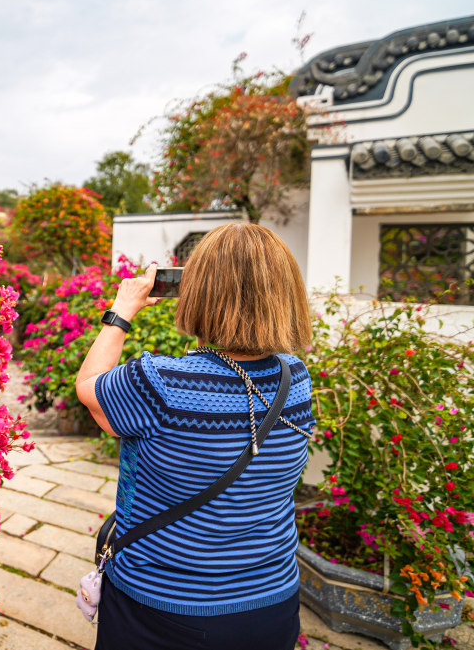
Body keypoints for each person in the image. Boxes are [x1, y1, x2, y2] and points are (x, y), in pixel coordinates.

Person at [75, 222, 315, 650]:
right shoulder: (295, 377)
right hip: (271, 603)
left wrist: (122, 311)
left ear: (199, 292)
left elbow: (90, 387)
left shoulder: (160, 382)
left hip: (162, 608)